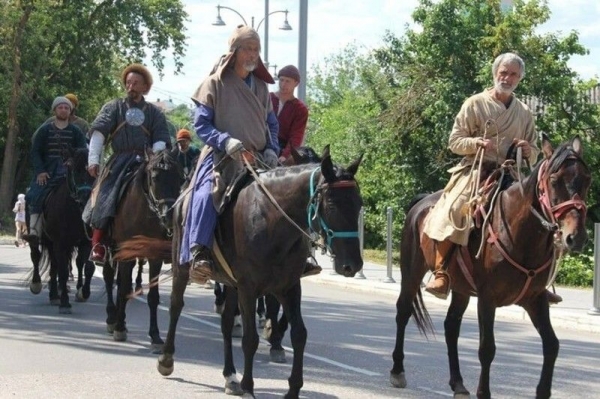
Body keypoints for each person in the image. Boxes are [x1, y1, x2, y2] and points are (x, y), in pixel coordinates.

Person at [422, 52, 562, 304]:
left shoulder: (524, 112)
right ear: (495, 73)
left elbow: (532, 149)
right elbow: (454, 141)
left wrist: (528, 150)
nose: (508, 78)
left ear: (519, 78)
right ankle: (442, 271)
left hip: (511, 172)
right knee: (454, 209)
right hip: (476, 170)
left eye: (514, 74)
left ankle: (540, 281)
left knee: (544, 215)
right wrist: (476, 142)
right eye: (504, 72)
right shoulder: (475, 103)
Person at [180, 25, 280, 282]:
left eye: (257, 50)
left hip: (258, 157)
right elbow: (201, 125)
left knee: (289, 192)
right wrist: (225, 141)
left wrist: (271, 148)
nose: (253, 55)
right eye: (248, 49)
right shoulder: (213, 83)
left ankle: (297, 256)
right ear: (234, 51)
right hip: (222, 156)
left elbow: (272, 123)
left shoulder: (261, 87)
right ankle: (200, 252)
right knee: (205, 194)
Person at [84, 63, 170, 264]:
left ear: (145, 87)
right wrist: (93, 160)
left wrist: (155, 158)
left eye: (136, 83)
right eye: (128, 82)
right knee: (105, 194)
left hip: (147, 161)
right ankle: (99, 244)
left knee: (167, 193)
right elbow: (99, 134)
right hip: (119, 160)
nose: (131, 86)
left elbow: (160, 139)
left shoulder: (154, 113)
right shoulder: (113, 107)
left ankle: (169, 240)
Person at [23, 96, 88, 245]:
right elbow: (36, 151)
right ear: (55, 110)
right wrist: (40, 171)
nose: (64, 110)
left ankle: (89, 231)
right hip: (47, 169)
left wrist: (73, 162)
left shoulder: (76, 131)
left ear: (70, 110)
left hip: (69, 169)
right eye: (61, 107)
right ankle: (34, 231)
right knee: (35, 195)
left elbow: (82, 151)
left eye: (66, 108)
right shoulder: (44, 130)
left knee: (87, 193)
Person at [270, 65, 309, 163]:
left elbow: (296, 136)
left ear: (296, 83)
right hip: (262, 142)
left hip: (281, 148)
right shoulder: (268, 98)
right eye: (281, 80)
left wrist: (285, 155)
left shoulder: (300, 109)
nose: (283, 84)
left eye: (287, 81)